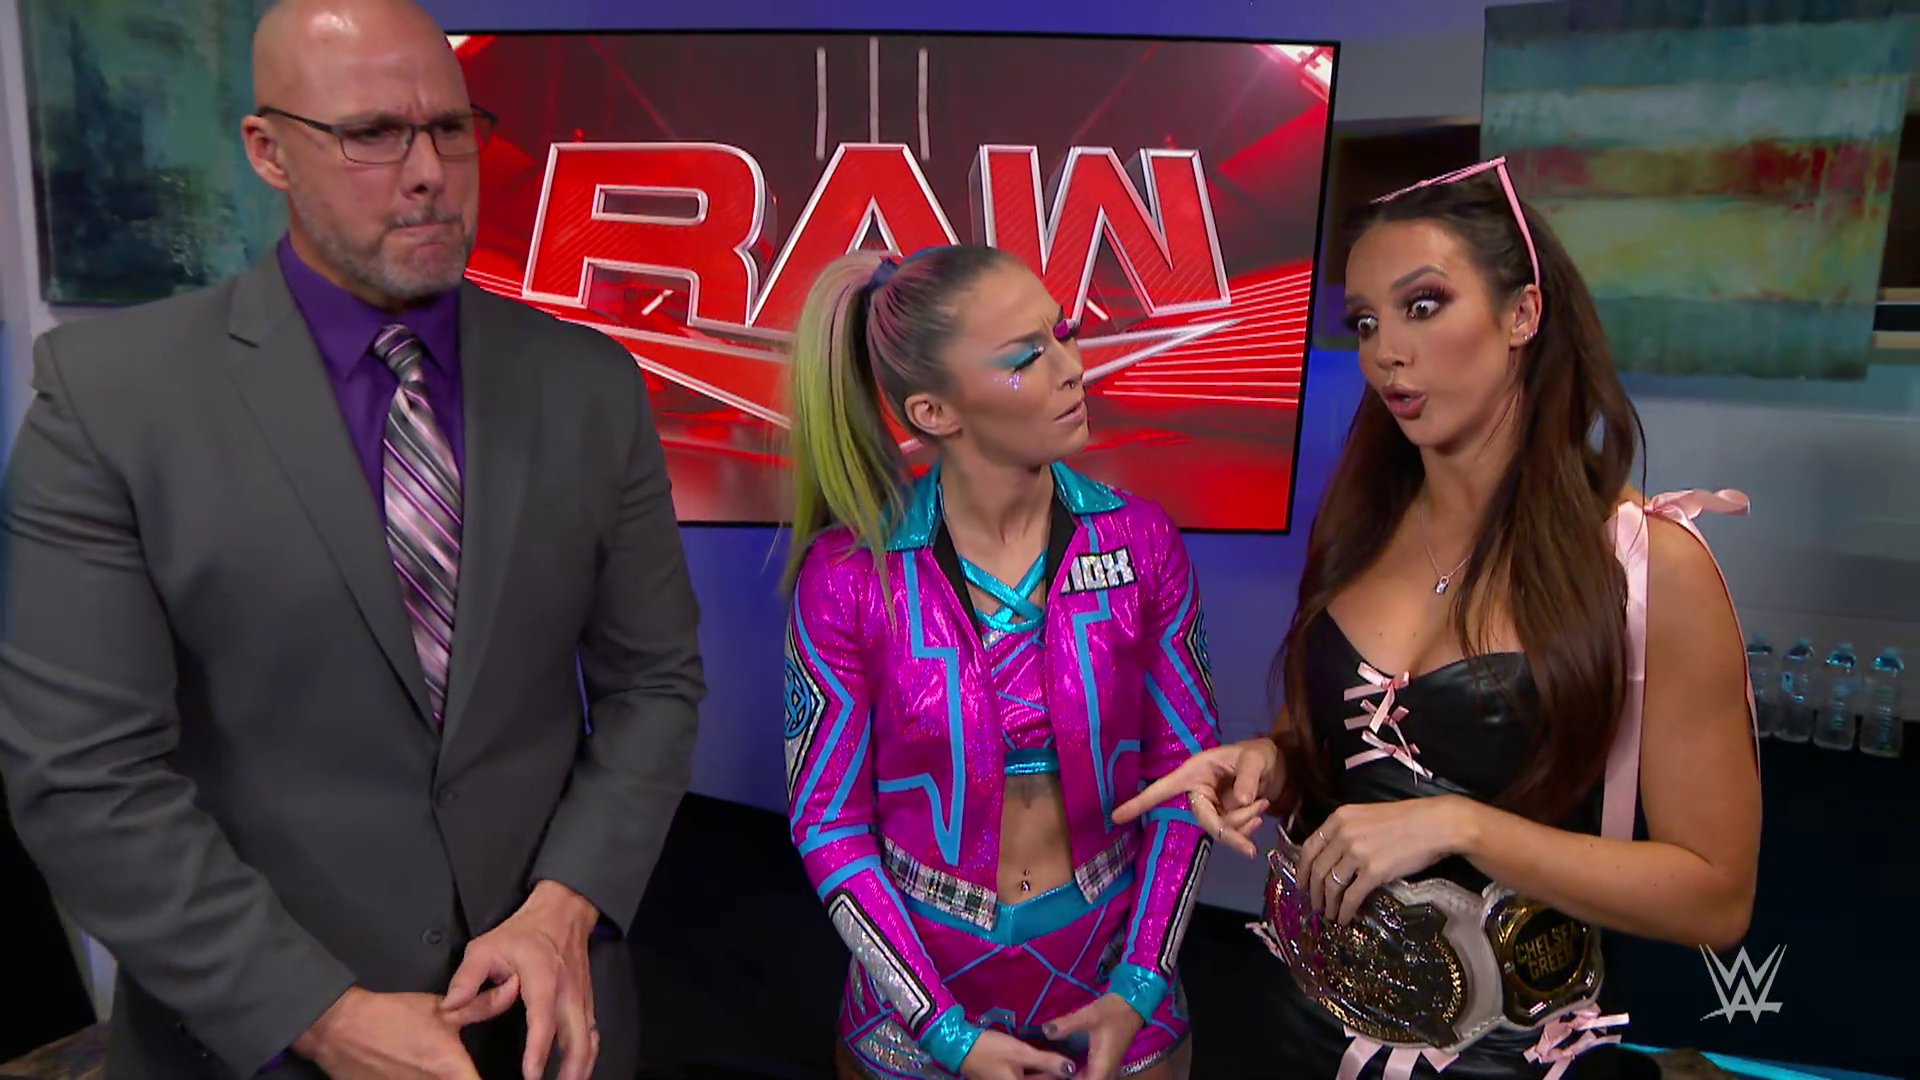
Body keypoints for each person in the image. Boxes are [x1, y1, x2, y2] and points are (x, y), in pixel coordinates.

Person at [0, 1, 704, 1077]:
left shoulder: (588, 384)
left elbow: (654, 682)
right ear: (267, 150)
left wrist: (566, 905)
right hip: (250, 1043)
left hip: (547, 1028)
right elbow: (84, 773)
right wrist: (318, 1013)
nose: (428, 173)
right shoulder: (110, 402)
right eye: (372, 134)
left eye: (451, 128)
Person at [1115, 159, 1762, 1079]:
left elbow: (1714, 898)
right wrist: (1273, 762)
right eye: (1366, 322)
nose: (1387, 351)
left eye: (1423, 306)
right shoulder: (1361, 524)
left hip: (1511, 1058)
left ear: (1522, 314)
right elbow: (1338, 753)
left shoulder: (1649, 564)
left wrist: (1465, 827)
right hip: (1294, 1024)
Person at [780, 245, 1219, 1080]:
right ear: (935, 411)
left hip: (1116, 982)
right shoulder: (848, 579)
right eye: (1026, 357)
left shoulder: (1141, 542)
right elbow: (829, 824)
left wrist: (1140, 982)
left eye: (1065, 332)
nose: (1072, 367)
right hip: (915, 1002)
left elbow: (1186, 776)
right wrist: (944, 1032)